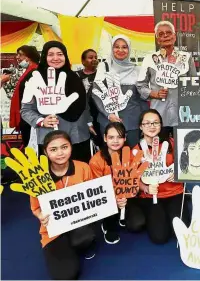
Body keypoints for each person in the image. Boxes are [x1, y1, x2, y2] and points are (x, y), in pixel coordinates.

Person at [31, 130, 96, 280]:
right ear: (45, 152)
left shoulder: (83, 167)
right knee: (67, 275)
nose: (60, 153)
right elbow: (35, 207)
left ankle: (77, 243)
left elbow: (93, 196)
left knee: (85, 238)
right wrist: (40, 215)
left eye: (64, 147)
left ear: (71, 147)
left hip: (79, 222)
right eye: (53, 149)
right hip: (53, 229)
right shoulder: (39, 176)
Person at [20, 41, 92, 163]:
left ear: (65, 56)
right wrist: (41, 121)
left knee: (79, 175)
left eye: (60, 54)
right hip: (49, 139)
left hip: (78, 137)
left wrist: (89, 122)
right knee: (53, 177)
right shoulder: (35, 78)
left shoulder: (74, 78)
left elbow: (84, 105)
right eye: (51, 54)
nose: (56, 58)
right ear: (44, 57)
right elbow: (26, 110)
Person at [129, 109, 189, 244]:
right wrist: (145, 188)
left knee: (181, 232)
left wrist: (179, 173)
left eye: (156, 122)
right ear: (140, 126)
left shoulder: (172, 143)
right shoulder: (135, 150)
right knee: (159, 237)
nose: (152, 126)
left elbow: (186, 163)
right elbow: (133, 179)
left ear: (161, 125)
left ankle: (181, 207)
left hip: (175, 192)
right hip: (151, 197)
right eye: (147, 123)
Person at [136, 21, 197, 135]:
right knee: (161, 149)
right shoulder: (149, 59)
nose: (165, 36)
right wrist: (155, 94)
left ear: (174, 37)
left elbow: (195, 84)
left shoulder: (186, 57)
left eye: (168, 33)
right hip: (158, 116)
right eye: (161, 34)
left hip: (182, 115)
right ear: (157, 39)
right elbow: (140, 86)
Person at [92, 35, 147, 148]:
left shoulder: (137, 69)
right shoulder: (104, 67)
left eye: (124, 47)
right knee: (111, 158)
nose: (120, 50)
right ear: (112, 49)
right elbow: (96, 94)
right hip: (109, 122)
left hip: (132, 123)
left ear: (129, 49)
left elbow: (142, 99)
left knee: (133, 156)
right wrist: (108, 115)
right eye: (116, 47)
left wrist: (144, 122)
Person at [89, 122, 128, 244]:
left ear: (125, 138)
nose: (115, 141)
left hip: (126, 194)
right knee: (109, 209)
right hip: (107, 197)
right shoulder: (96, 160)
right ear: (105, 138)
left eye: (119, 137)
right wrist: (115, 197)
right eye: (111, 137)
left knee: (136, 224)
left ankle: (123, 215)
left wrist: (126, 194)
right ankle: (107, 224)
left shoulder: (129, 154)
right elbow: (98, 189)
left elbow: (134, 178)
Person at [9, 45, 40, 146]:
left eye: (21, 55)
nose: (17, 57)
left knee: (31, 145)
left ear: (29, 57)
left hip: (31, 116)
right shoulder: (28, 71)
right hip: (25, 114)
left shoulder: (35, 72)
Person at [76, 49, 101, 145]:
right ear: (83, 61)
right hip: (81, 114)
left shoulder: (101, 75)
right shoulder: (75, 76)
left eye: (96, 57)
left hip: (98, 114)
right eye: (91, 58)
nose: (94, 59)